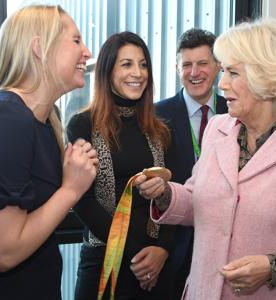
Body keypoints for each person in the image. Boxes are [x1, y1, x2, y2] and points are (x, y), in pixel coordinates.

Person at [134, 19, 276, 299]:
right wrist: (165, 193)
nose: (221, 83)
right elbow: (199, 199)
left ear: (267, 76)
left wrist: (274, 267)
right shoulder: (218, 128)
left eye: (232, 73)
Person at [0, 5, 98, 300]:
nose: (86, 52)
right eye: (76, 41)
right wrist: (71, 189)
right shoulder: (4, 122)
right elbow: (3, 252)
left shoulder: (45, 123)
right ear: (40, 48)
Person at [66, 31, 177, 300]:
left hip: (156, 265)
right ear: (107, 70)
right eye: (126, 64)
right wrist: (137, 253)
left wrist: (163, 249)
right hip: (105, 262)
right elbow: (83, 200)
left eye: (143, 64)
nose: (137, 73)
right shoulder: (82, 125)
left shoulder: (161, 130)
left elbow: (177, 195)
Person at [155, 28, 228, 299]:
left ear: (218, 66)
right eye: (187, 64)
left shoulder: (237, 113)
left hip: (225, 246)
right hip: (172, 249)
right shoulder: (155, 115)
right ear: (177, 68)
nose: (194, 72)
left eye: (203, 63)